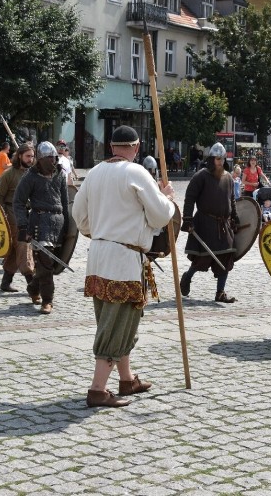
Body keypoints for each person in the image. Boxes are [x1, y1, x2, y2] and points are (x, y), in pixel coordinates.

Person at [72, 125, 176, 408]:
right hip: (124, 259)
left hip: (99, 255)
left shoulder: (94, 173)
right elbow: (159, 217)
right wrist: (166, 198)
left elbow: (78, 215)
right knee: (117, 323)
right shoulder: (136, 172)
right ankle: (97, 389)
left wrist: (101, 230)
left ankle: (127, 379)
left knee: (114, 319)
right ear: (137, 147)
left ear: (111, 146)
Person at [13, 141, 69, 314]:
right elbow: (18, 202)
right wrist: (23, 225)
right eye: (49, 158)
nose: (53, 161)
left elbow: (65, 201)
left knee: (49, 264)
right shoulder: (30, 176)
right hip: (39, 222)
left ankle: (33, 287)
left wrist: (67, 225)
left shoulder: (60, 174)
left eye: (54, 158)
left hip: (57, 223)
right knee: (45, 263)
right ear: (42, 159)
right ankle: (47, 300)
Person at [179, 142, 240, 303]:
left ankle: (220, 292)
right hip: (205, 223)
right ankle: (187, 277)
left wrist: (234, 216)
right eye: (216, 159)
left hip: (223, 224)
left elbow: (231, 199)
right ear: (211, 159)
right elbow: (190, 198)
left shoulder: (228, 178)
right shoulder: (201, 176)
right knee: (202, 258)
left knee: (226, 256)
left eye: (222, 159)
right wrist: (187, 219)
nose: (219, 162)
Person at [0, 143, 36, 293]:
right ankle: (32, 284)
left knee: (15, 249)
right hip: (11, 215)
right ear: (19, 156)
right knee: (24, 246)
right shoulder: (9, 174)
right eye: (27, 156)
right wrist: (2, 217)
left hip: (27, 214)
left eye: (32, 156)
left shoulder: (33, 173)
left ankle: (6, 282)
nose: (30, 159)